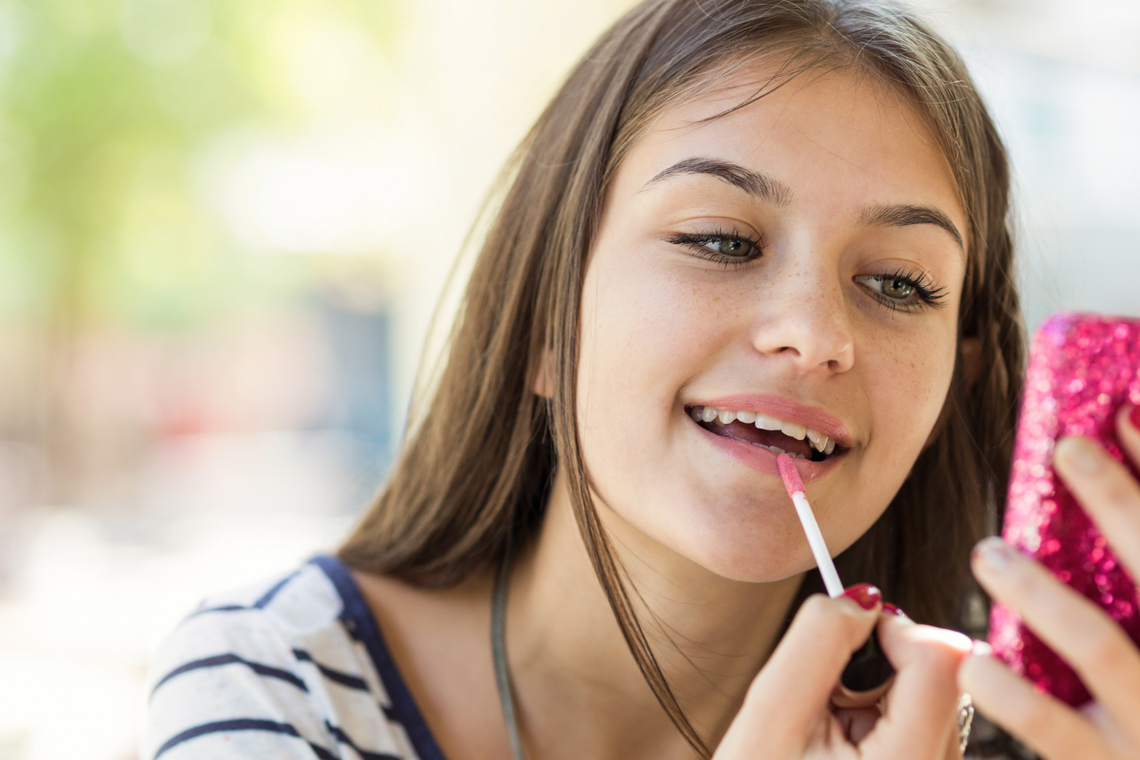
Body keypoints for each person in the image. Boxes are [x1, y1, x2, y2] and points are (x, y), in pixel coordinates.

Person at [141, 1, 1140, 759]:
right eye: (718, 239)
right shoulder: (280, 685)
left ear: (957, 384)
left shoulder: (1038, 721)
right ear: (540, 320)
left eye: (896, 282)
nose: (812, 335)